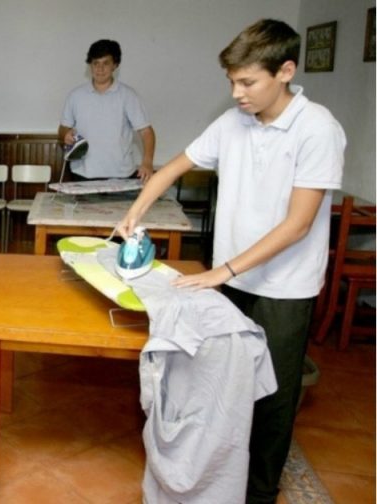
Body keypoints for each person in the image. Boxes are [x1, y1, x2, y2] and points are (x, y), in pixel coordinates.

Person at [117, 19, 344, 503]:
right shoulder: (232, 122)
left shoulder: (317, 128)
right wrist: (134, 212)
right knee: (223, 384)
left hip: (284, 286)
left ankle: (259, 493)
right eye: (232, 82)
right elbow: (175, 166)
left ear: (285, 71)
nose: (237, 93)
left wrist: (222, 271)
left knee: (273, 398)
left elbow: (298, 223)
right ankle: (219, 479)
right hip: (232, 280)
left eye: (247, 82)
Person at [58, 39, 156, 181]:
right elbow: (62, 129)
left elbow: (146, 132)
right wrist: (65, 134)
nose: (100, 68)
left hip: (121, 175)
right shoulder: (75, 96)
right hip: (82, 174)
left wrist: (147, 162)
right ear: (90, 65)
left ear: (115, 65)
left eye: (106, 63)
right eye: (95, 63)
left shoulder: (128, 96)